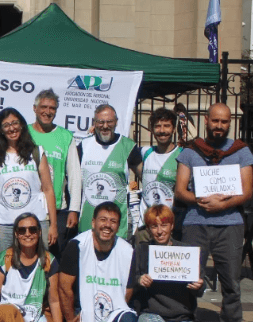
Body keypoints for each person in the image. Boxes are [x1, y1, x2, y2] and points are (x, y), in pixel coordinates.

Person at [175, 102, 253, 322]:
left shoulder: (241, 152)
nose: (219, 126)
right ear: (206, 120)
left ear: (229, 123)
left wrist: (223, 203)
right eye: (216, 121)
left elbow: (247, 192)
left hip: (230, 224)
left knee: (231, 284)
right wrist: (198, 200)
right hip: (196, 223)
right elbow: (180, 189)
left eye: (225, 122)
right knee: (188, 281)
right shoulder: (190, 151)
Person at [59, 201, 137, 322]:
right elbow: (64, 287)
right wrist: (70, 318)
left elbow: (128, 290)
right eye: (103, 219)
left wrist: (107, 320)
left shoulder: (127, 250)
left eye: (113, 221)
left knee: (128, 320)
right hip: (82, 310)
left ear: (118, 225)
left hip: (111, 308)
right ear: (93, 222)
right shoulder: (77, 246)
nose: (107, 225)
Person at [134, 205, 204, 322]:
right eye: (154, 226)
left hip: (181, 318)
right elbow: (131, 282)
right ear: (149, 229)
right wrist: (139, 280)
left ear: (172, 226)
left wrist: (199, 286)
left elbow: (199, 291)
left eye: (164, 225)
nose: (159, 231)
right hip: (152, 314)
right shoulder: (142, 250)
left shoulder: (187, 252)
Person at [0, 107, 58, 254]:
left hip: (34, 223)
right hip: (3, 224)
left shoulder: (37, 152)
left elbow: (48, 190)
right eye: (6, 125)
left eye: (15, 123)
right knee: (2, 268)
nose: (12, 128)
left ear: (22, 125)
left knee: (39, 267)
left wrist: (53, 225)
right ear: (0, 130)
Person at [28, 89, 82, 256]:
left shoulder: (65, 136)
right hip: (29, 205)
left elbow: (74, 175)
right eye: (43, 107)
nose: (48, 112)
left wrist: (74, 209)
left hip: (57, 209)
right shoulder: (24, 133)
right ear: (34, 108)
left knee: (52, 257)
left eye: (52, 108)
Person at [78, 104, 142, 239]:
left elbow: (146, 178)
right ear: (94, 123)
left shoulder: (128, 146)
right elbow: (72, 182)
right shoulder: (83, 146)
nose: (105, 126)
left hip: (117, 223)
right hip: (87, 221)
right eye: (101, 122)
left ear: (116, 122)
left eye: (109, 122)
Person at [136, 108, 182, 243]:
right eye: (158, 126)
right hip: (145, 225)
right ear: (152, 129)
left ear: (174, 129)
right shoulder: (144, 152)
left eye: (167, 126)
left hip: (169, 226)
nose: (162, 131)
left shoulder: (182, 155)